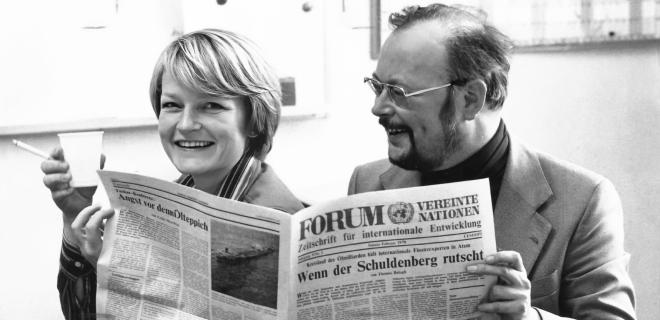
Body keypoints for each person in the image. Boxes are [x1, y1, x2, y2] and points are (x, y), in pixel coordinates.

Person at [349, 4, 636, 320]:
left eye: (399, 92)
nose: (378, 108)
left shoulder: (582, 199)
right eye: (377, 86)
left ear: (470, 99)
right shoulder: (367, 183)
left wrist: (529, 318)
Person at [41, 29, 304, 320]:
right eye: (172, 106)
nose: (186, 124)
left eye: (211, 106)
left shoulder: (275, 217)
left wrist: (122, 278)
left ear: (254, 120)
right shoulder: (169, 202)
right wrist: (74, 215)